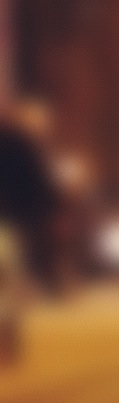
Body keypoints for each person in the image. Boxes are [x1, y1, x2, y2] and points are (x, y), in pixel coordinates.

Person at [0, 96, 62, 290]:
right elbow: (35, 183)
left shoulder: (19, 143)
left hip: (17, 215)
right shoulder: (18, 143)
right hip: (15, 215)